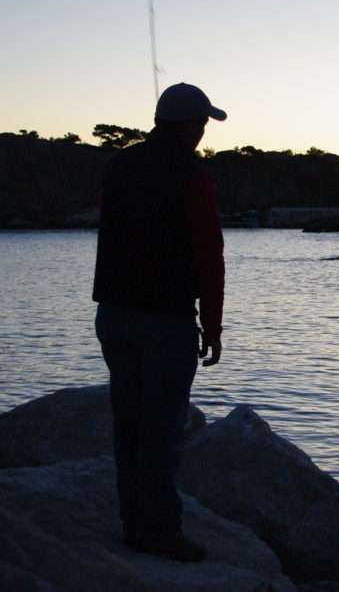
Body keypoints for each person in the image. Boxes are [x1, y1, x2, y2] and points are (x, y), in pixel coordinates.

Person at [92, 82, 226, 562]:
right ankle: (162, 532)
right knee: (162, 432)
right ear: (190, 126)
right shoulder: (192, 174)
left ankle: (134, 525)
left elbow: (110, 225)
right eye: (203, 124)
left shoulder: (118, 165)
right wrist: (211, 325)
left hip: (114, 314)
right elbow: (210, 252)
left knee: (128, 426)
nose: (204, 132)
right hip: (166, 321)